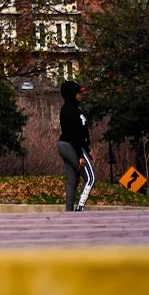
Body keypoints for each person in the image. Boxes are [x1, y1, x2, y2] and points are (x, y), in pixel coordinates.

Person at [57, 80, 95, 212]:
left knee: (73, 181)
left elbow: (81, 132)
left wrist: (88, 150)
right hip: (71, 146)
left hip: (69, 145)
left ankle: (69, 212)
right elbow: (73, 135)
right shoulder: (68, 111)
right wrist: (80, 155)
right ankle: (80, 208)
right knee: (91, 178)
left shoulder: (75, 110)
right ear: (71, 94)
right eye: (78, 93)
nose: (81, 95)